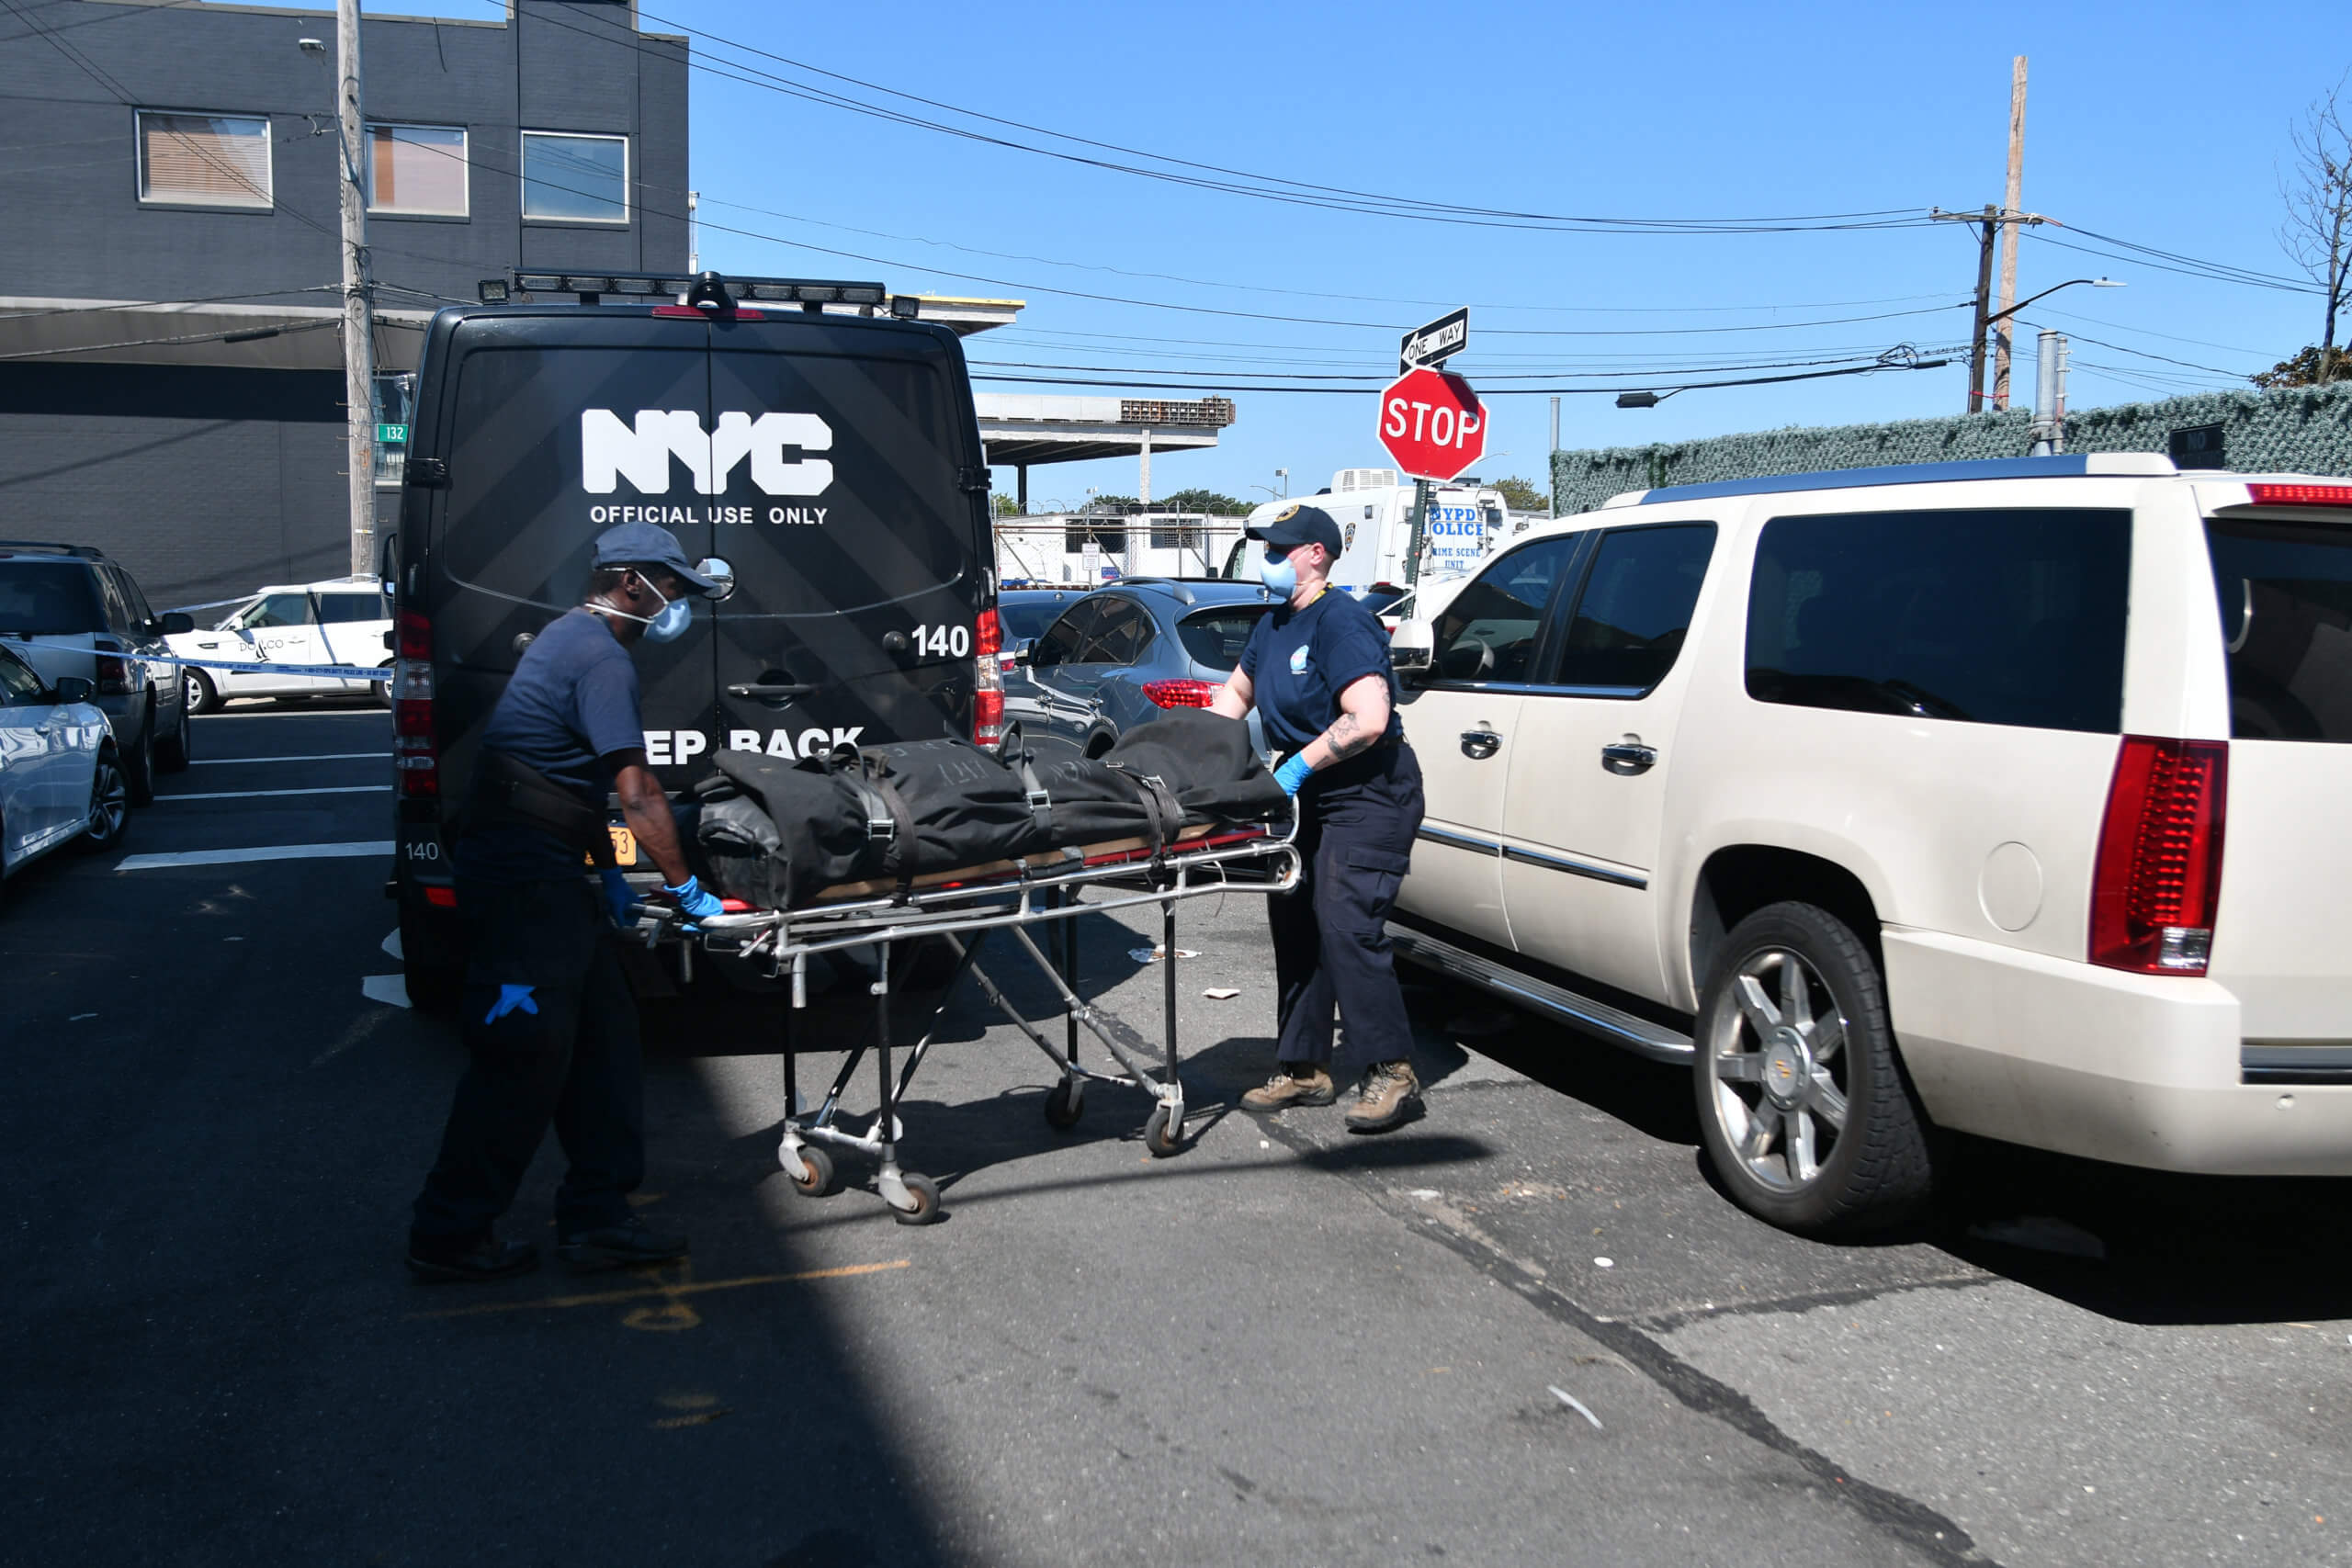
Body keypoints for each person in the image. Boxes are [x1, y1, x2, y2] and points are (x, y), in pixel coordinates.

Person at [406, 523, 728, 1281]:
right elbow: (637, 793)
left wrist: (606, 873)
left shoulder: (570, 640)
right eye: (671, 586)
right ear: (629, 582)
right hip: (520, 879)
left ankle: (597, 1217)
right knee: (521, 1052)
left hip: (544, 864)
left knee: (605, 1041)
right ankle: (449, 1231)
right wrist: (688, 887)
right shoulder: (600, 657)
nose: (677, 602)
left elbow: (568, 783)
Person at [1212, 502, 1429, 1133]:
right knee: (1295, 920)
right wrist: (1190, 753)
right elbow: (1234, 698)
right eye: (1265, 549)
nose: (1267, 560)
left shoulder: (1343, 621)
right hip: (1306, 792)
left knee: (1344, 921)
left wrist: (1296, 768)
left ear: (1316, 554)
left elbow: (1369, 718)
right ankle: (1304, 1067)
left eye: (1279, 550)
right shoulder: (1274, 624)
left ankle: (1392, 1070)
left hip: (1368, 790)